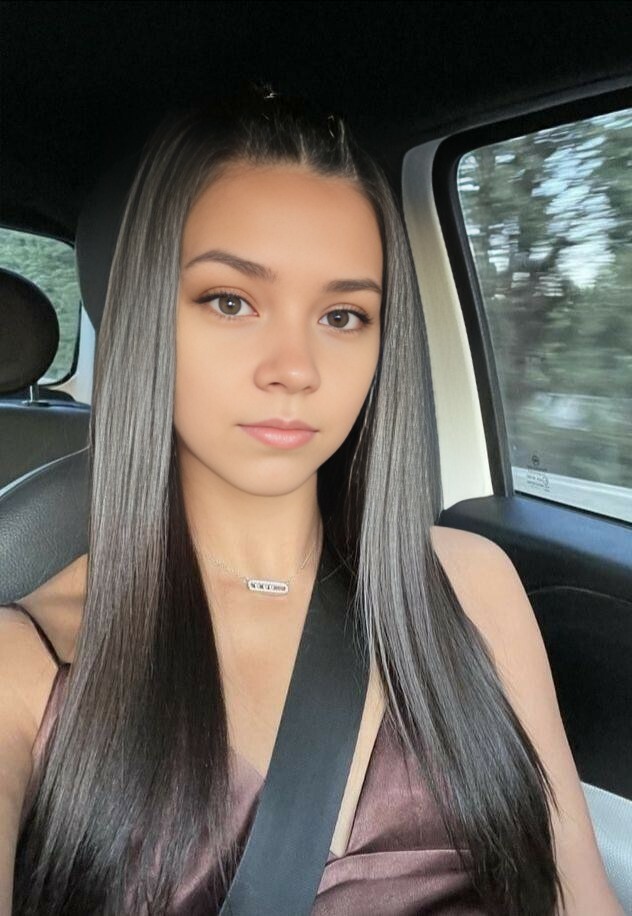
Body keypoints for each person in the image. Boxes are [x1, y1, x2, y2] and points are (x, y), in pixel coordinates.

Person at [1, 82, 621, 915]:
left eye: (342, 316)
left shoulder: (470, 585)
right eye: (231, 301)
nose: (294, 368)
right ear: (150, 316)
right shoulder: (27, 667)